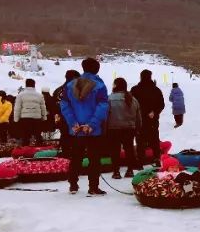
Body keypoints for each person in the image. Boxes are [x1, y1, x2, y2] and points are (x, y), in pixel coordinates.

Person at [59, 57, 110, 196]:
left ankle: (73, 185)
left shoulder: (70, 85)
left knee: (75, 157)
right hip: (93, 130)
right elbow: (103, 105)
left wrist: (73, 123)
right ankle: (93, 187)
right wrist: (92, 124)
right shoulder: (99, 85)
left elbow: (64, 105)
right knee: (94, 158)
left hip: (76, 130)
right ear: (97, 69)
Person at [107, 77, 141, 179]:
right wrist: (138, 128)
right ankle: (130, 170)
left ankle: (116, 172)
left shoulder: (109, 99)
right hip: (129, 129)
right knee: (129, 149)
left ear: (115, 86)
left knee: (115, 150)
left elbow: (105, 115)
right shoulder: (133, 99)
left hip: (113, 128)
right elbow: (138, 116)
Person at [130, 69, 165, 160]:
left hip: (139, 119)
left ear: (141, 77)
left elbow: (130, 104)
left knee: (140, 139)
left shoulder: (135, 89)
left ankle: (140, 159)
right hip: (152, 119)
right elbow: (161, 104)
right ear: (150, 77)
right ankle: (157, 158)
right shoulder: (156, 90)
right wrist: (154, 112)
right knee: (154, 139)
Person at [53, 69, 81, 154]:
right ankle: (75, 159)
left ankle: (65, 157)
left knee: (64, 136)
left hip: (61, 119)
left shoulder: (57, 91)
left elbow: (53, 105)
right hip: (75, 119)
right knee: (76, 139)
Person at [13, 78, 47, 144]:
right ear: (34, 85)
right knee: (38, 135)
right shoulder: (39, 95)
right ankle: (39, 150)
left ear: (26, 85)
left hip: (25, 118)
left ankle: (25, 151)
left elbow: (17, 108)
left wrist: (16, 119)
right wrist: (44, 117)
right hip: (37, 118)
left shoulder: (20, 95)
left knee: (25, 136)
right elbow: (43, 107)